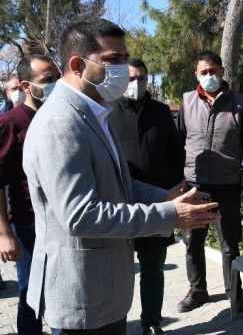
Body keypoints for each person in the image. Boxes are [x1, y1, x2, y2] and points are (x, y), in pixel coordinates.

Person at [22, 17, 220, 334]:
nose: (124, 69)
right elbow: (81, 216)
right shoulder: (60, 123)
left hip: (104, 291)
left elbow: (116, 181)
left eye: (125, 58)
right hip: (82, 295)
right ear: (77, 65)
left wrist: (164, 197)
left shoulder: (97, 112)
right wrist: (169, 215)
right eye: (113, 60)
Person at [176, 50, 243, 313]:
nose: (209, 76)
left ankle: (235, 294)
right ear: (196, 74)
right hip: (195, 186)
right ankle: (198, 290)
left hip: (228, 185)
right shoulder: (187, 101)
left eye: (213, 71)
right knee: (192, 243)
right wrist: (179, 182)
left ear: (222, 71)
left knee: (230, 246)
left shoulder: (240, 103)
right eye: (204, 72)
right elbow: (178, 143)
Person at [108, 58, 185, 335]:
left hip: (157, 203)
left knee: (153, 268)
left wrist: (172, 190)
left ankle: (151, 322)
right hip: (120, 204)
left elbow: (176, 153)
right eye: (130, 78)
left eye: (141, 78)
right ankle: (113, 321)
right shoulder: (107, 111)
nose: (136, 83)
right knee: (117, 269)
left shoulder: (161, 111)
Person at [0, 54, 59, 334]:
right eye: (48, 80)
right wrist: (5, 234)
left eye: (57, 78)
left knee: (59, 294)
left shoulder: (60, 116)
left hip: (63, 222)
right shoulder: (10, 123)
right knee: (29, 297)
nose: (55, 84)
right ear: (26, 86)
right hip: (28, 226)